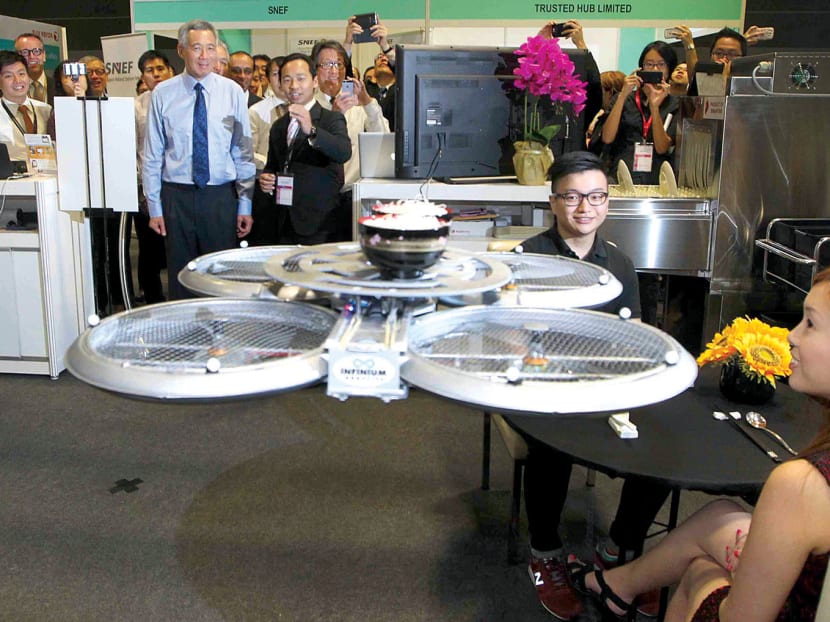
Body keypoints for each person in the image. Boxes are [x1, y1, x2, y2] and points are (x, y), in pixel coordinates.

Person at [569, 268, 830, 621]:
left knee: (700, 570)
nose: (791, 336)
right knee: (720, 514)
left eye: (810, 324)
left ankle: (618, 584)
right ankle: (617, 584)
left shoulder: (801, 485)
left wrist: (723, 578)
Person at [511, 152, 669, 620]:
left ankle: (620, 549)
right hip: (545, 384)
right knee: (553, 447)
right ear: (553, 201)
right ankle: (545, 552)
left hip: (605, 383)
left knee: (663, 443)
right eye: (573, 197)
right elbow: (513, 337)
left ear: (607, 201)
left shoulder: (619, 261)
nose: (585, 208)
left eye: (596, 196)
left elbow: (632, 332)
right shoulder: (527, 258)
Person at [142, 19, 255, 300]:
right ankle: (184, 327)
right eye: (196, 48)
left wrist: (245, 203)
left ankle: (220, 327)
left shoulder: (232, 92)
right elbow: (153, 154)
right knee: (181, 276)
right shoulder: (163, 93)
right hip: (176, 197)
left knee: (219, 277)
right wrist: (154, 206)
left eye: (210, 48)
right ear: (181, 51)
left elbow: (242, 151)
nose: (205, 56)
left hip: (220, 197)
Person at [258, 52, 350, 244]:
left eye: (300, 79)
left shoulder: (330, 118)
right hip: (284, 220)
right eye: (287, 80)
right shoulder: (279, 126)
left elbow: (343, 152)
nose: (293, 86)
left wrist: (312, 131)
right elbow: (273, 165)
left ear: (315, 81)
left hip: (320, 223)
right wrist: (267, 178)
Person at [312, 39, 389, 240]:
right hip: (318, 199)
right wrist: (334, 115)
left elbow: (383, 139)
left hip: (351, 197)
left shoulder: (357, 105)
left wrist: (367, 101)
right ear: (315, 70)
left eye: (339, 64)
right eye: (327, 64)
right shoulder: (309, 104)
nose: (334, 71)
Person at [601, 41, 679, 185]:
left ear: (669, 69)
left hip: (656, 179)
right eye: (649, 64)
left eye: (661, 64)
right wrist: (623, 95)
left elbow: (662, 148)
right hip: (621, 174)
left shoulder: (674, 104)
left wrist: (654, 107)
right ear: (641, 68)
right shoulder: (624, 98)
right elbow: (607, 137)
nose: (654, 69)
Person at [134, 50, 175, 304]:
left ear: (170, 71)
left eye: (160, 68)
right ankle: (153, 301)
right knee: (149, 249)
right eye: (150, 70)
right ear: (143, 76)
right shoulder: (136, 106)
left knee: (177, 247)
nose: (156, 74)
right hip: (146, 187)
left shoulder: (182, 99)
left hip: (176, 185)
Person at [246, 56, 288, 246]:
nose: (281, 80)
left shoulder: (305, 109)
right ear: (268, 78)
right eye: (276, 74)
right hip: (265, 184)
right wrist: (271, 166)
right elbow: (248, 151)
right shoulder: (256, 111)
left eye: (286, 74)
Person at [0, 50, 52, 164]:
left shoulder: (46, 110)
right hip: (10, 175)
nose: (17, 80)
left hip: (47, 173)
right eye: (8, 76)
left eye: (21, 74)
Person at [685, 28, 747, 97]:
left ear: (743, 58)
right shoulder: (702, 79)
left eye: (731, 54)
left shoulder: (749, 83)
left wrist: (725, 79)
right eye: (718, 53)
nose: (724, 59)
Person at [14, 33, 55, 106]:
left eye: (36, 51)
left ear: (44, 55)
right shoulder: (8, 89)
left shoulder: (60, 87)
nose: (32, 56)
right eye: (25, 52)